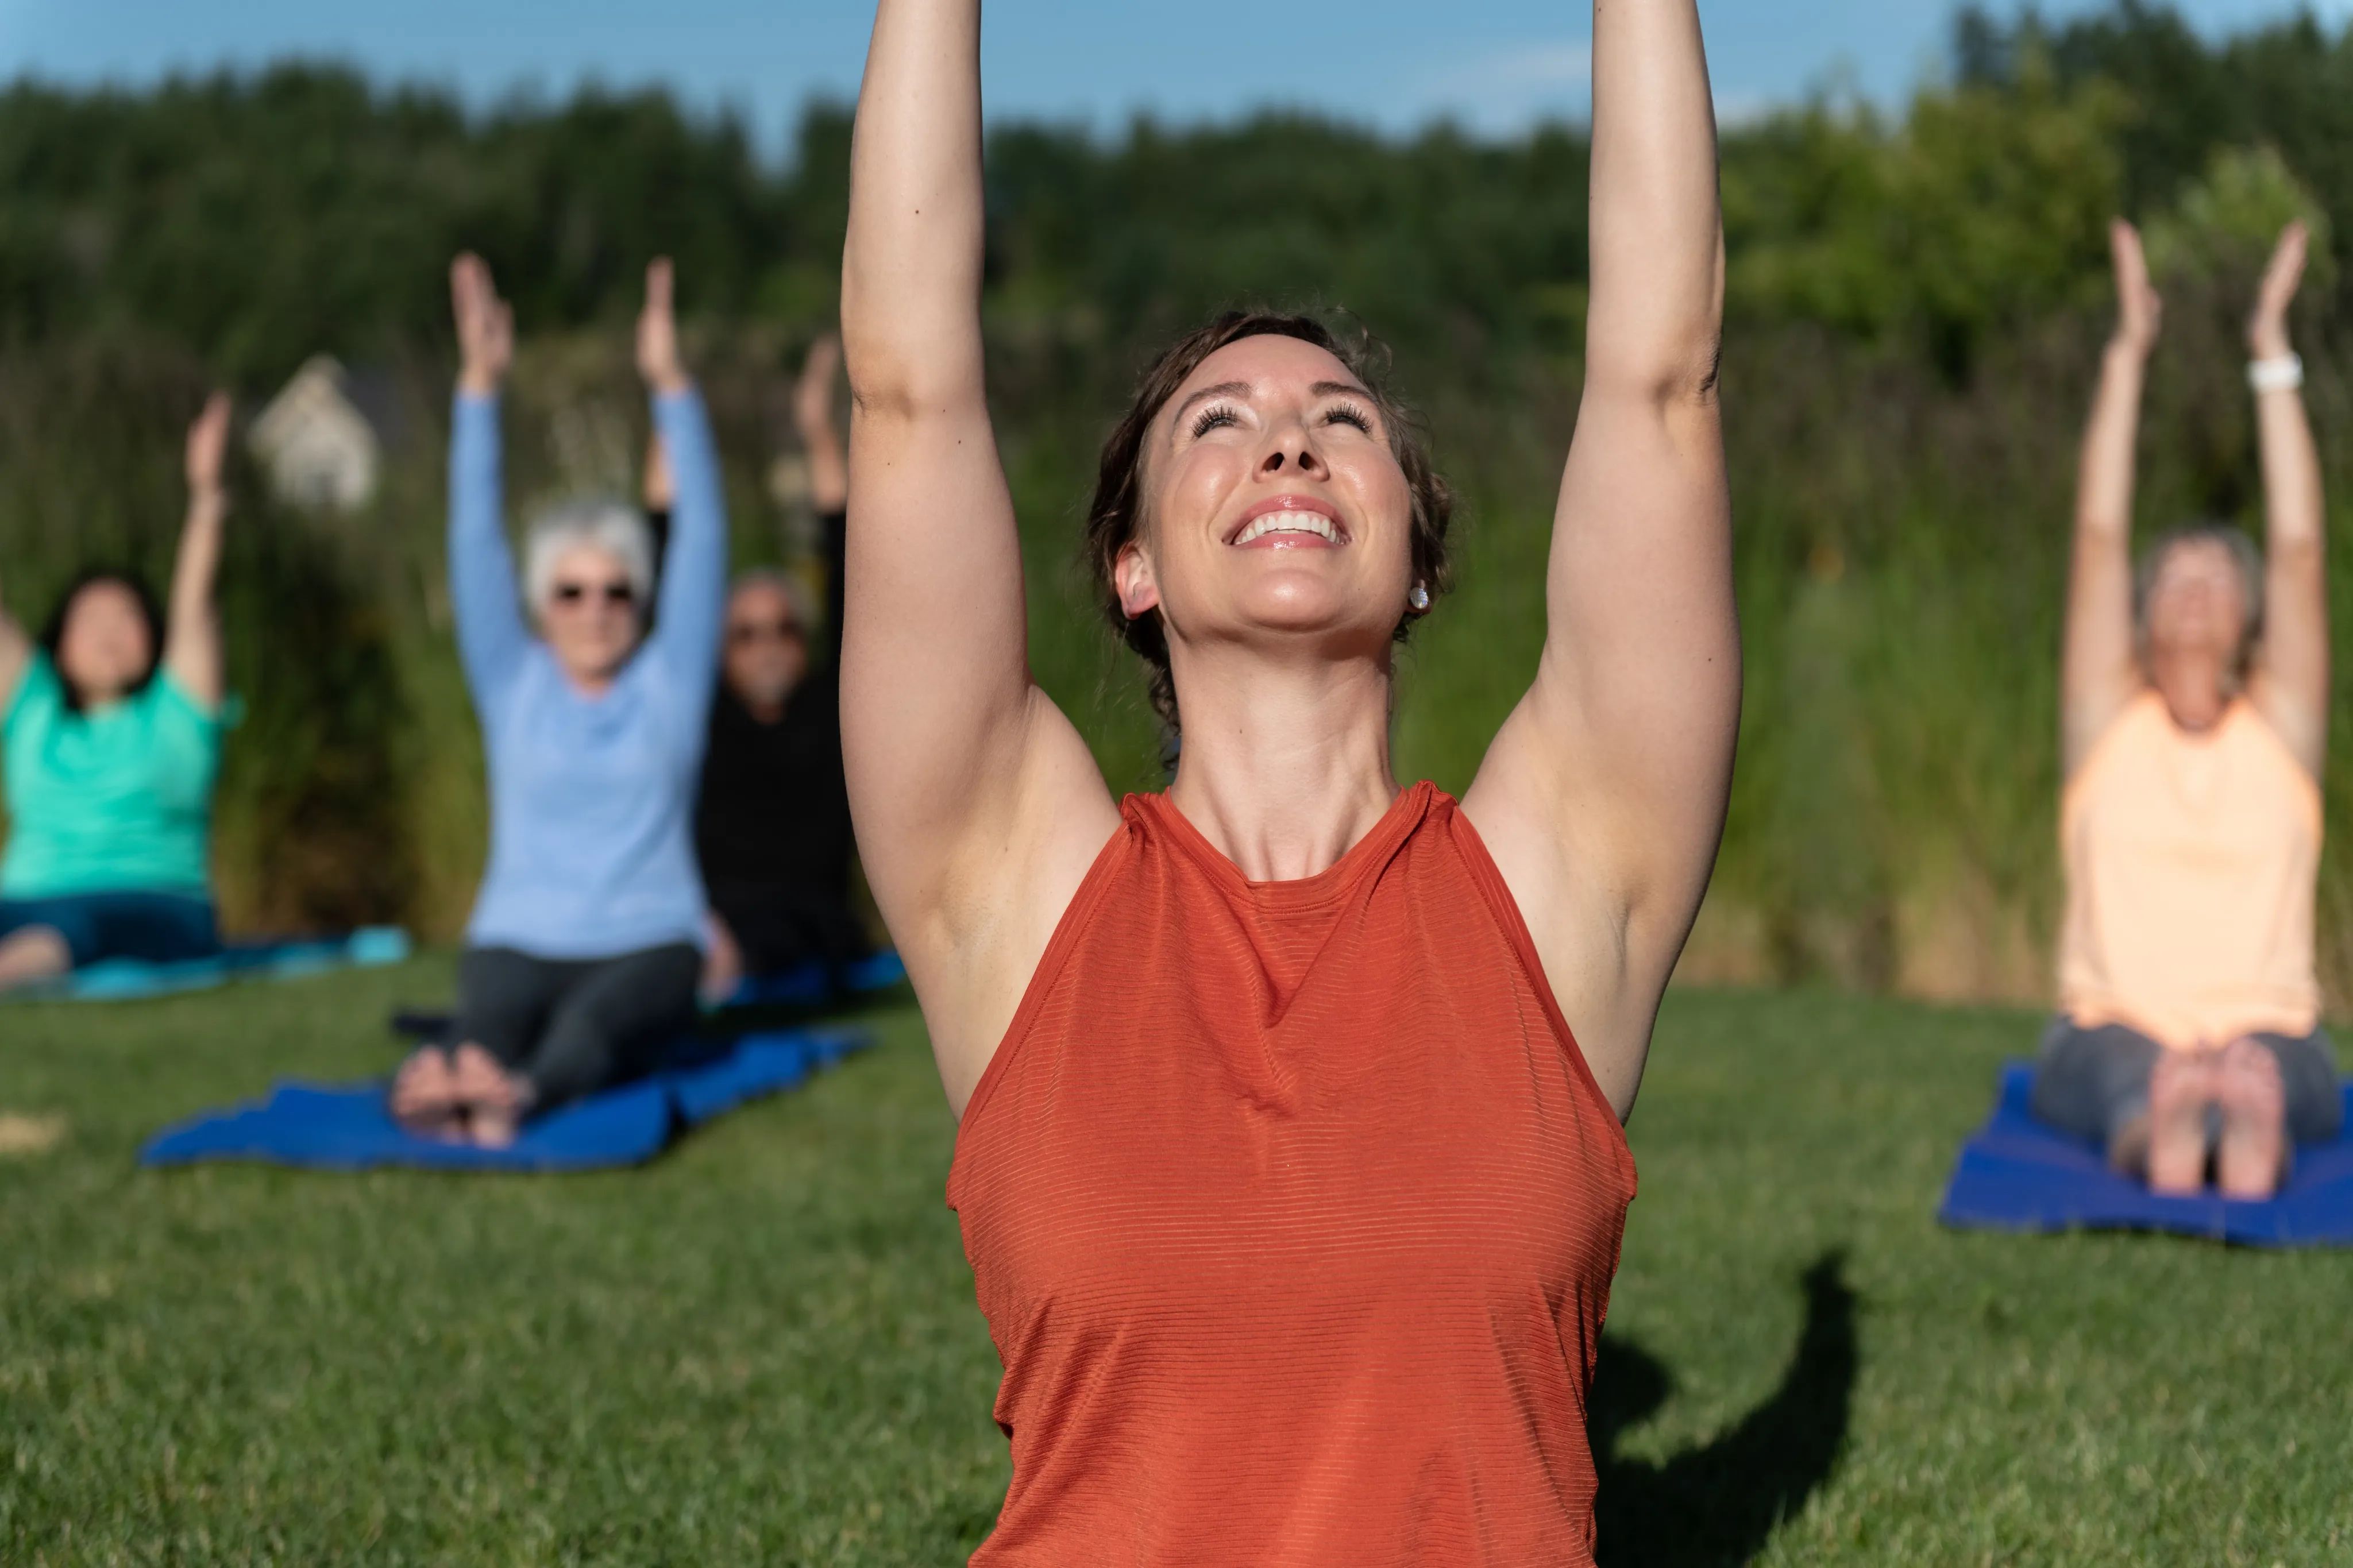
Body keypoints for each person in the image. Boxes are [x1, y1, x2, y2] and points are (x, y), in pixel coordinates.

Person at [840, 0, 1735, 1559]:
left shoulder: (1559, 879)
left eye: (1342, 423)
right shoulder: (1021, 890)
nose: (1289, 446)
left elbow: (1659, 379)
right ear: (1131, 564)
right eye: (1221, 424)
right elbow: (910, 396)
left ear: (1421, 554)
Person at [2031, 220, 2339, 1201]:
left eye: (2218, 575)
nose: (2197, 586)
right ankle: (2159, 1127)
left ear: (2253, 621)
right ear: (2139, 617)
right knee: (2123, 1073)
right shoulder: (2106, 724)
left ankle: (2249, 1129)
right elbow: (2096, 531)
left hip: (2270, 1027)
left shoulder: (2279, 729)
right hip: (2111, 1023)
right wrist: (2127, 354)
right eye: (2173, 577)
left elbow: (2296, 547)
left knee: (2278, 1073)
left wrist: (2270, 353)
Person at [391, 254, 726, 1147]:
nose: (596, 609)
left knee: (590, 1033)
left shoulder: (672, 680)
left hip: (651, 935)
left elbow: (704, 537)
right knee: (490, 1014)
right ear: (540, 608)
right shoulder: (513, 680)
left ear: (644, 604)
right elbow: (472, 540)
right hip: (517, 933)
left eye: (618, 590)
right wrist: (478, 389)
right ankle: (464, 1067)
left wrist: (671, 388)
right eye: (571, 592)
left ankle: (513, 1097)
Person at [0, 395, 236, 991]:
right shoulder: (32, 713)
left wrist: (207, 498)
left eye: (124, 617)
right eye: (90, 620)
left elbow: (194, 605)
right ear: (58, 647)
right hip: (22, 899)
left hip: (153, 905)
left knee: (69, 929)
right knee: (44, 923)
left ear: (152, 637)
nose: (108, 633)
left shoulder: (177, 715)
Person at [691, 336, 869, 1001]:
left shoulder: (832, 710)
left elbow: (850, 560)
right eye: (745, 634)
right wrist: (672, 406)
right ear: (721, 650)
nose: (767, 644)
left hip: (806, 926)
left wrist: (818, 432)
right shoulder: (701, 718)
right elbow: (664, 553)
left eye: (783, 628)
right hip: (709, 921)